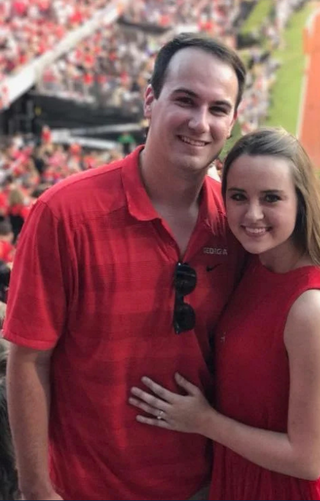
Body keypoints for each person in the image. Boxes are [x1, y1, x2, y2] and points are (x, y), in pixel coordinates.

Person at [4, 33, 247, 500]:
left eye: (218, 109)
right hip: (83, 487)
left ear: (233, 121)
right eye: (185, 100)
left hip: (204, 483)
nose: (200, 122)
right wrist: (36, 488)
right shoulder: (64, 212)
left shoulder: (236, 221)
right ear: (150, 100)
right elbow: (29, 358)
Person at [128, 128, 320, 500]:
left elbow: (307, 459)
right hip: (242, 474)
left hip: (288, 488)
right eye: (238, 196)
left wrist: (204, 421)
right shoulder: (255, 264)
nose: (252, 214)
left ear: (301, 202)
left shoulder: (312, 306)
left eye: (271, 198)